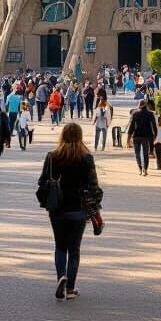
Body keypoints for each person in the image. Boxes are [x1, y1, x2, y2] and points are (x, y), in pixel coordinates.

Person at [36, 123, 103, 302]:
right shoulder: (86, 158)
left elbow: (42, 181)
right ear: (80, 136)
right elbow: (94, 186)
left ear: (62, 136)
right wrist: (96, 207)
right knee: (74, 249)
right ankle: (71, 288)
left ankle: (61, 278)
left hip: (57, 207)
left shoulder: (52, 156)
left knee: (60, 246)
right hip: (78, 209)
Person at [126, 99, 158, 176]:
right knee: (145, 154)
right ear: (146, 105)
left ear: (139, 105)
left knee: (137, 154)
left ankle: (140, 169)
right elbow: (154, 126)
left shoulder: (135, 114)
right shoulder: (150, 114)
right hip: (146, 136)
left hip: (136, 136)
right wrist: (155, 136)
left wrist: (128, 139)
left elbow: (131, 127)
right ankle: (145, 170)